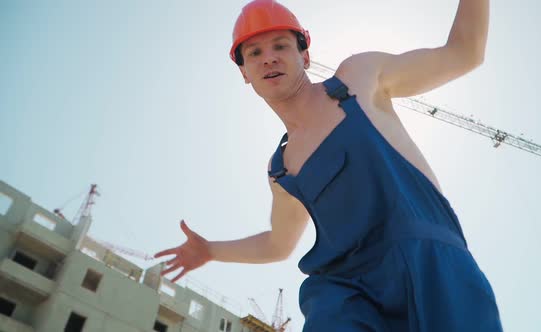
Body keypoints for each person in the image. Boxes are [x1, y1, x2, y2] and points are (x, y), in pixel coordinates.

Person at [155, 0, 503, 330]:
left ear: (305, 55)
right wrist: (210, 250)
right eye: (254, 53)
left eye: (280, 46)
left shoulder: (359, 79)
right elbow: (278, 244)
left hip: (433, 264)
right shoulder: (282, 169)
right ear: (244, 73)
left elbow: (464, 53)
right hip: (349, 293)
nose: (268, 59)